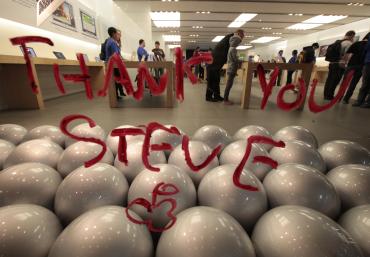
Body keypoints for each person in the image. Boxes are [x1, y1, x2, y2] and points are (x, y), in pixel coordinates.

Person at [206, 29, 245, 102]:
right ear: (238, 33)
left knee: (216, 79)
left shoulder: (230, 38)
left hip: (216, 61)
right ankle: (209, 97)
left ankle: (216, 96)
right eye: (242, 36)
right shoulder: (233, 38)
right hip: (214, 61)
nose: (242, 38)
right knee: (212, 79)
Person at [323, 30, 356, 100]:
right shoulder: (348, 43)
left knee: (329, 79)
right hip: (339, 64)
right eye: (353, 37)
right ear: (352, 36)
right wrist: (344, 63)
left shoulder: (338, 42)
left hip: (332, 63)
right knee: (335, 80)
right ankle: (329, 96)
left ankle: (326, 94)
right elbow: (347, 55)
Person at [342, 32, 370, 104]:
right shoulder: (367, 45)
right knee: (353, 84)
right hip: (360, 66)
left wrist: (344, 62)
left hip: (351, 65)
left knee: (345, 82)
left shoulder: (357, 43)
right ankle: (346, 99)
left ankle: (339, 97)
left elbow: (347, 53)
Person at [105, 27, 125, 100]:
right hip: (113, 65)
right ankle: (115, 96)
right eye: (117, 33)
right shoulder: (112, 42)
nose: (118, 35)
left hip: (111, 64)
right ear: (113, 34)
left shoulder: (109, 41)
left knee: (116, 79)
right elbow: (116, 54)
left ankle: (116, 95)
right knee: (116, 79)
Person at [223, 33, 243, 105]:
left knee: (229, 84)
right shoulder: (233, 49)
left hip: (231, 68)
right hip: (232, 68)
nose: (238, 44)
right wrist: (241, 60)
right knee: (229, 84)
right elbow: (235, 59)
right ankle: (225, 99)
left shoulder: (230, 48)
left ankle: (225, 99)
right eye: (238, 42)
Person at [353, 37, 370, 108]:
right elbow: (366, 49)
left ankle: (361, 101)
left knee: (365, 83)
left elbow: (366, 49)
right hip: (368, 62)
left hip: (368, 62)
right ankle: (362, 101)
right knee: (365, 83)